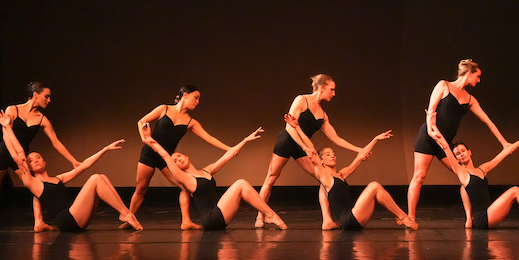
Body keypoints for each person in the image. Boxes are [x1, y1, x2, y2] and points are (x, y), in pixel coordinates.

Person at [0, 110, 142, 232]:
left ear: (44, 161)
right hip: (67, 220)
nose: (35, 160)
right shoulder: (32, 183)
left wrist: (104, 149)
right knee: (96, 178)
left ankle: (127, 214)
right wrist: (7, 127)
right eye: (31, 161)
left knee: (100, 176)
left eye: (38, 157)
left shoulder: (58, 179)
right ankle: (127, 215)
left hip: (77, 217)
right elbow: (18, 153)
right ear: (29, 168)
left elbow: (83, 166)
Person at [255, 74, 367, 230]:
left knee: (324, 178)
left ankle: (327, 220)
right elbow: (290, 127)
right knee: (271, 178)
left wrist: (359, 150)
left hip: (302, 146)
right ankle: (261, 215)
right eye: (331, 90)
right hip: (287, 141)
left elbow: (336, 139)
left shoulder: (323, 115)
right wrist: (305, 146)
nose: (333, 94)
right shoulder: (301, 100)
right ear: (321, 88)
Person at [408, 59, 509, 221]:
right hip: (428, 137)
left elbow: (487, 121)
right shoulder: (444, 85)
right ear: (469, 73)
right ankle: (410, 218)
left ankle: (470, 217)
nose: (479, 80)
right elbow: (431, 110)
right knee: (419, 176)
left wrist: (504, 143)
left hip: (444, 143)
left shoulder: (470, 99)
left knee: (467, 176)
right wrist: (430, 130)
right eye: (478, 76)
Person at [0, 82, 81, 231]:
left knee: (37, 187)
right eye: (46, 96)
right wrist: (14, 156)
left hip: (22, 158)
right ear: (35, 94)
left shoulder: (42, 119)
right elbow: (7, 135)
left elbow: (56, 143)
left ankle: (39, 222)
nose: (49, 100)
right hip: (3, 154)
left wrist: (73, 161)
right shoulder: (13, 109)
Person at [428, 111, 519, 229]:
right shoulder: (462, 173)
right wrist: (433, 126)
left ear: (470, 152)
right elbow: (445, 147)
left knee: (513, 192)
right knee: (515, 191)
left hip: (489, 213)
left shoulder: (482, 169)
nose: (461, 154)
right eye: (457, 154)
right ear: (456, 159)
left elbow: (504, 153)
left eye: (463, 151)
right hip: (484, 218)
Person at [141, 123, 287, 231]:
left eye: (179, 156)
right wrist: (149, 139)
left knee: (241, 185)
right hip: (211, 218)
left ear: (186, 155)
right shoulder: (184, 179)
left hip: (219, 214)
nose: (178, 159)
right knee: (241, 184)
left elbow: (227, 156)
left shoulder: (206, 171)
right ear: (176, 167)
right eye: (175, 161)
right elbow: (165, 155)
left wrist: (246, 140)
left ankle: (267, 215)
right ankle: (269, 215)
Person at [285, 113, 417, 230]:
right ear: (322, 161)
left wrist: (375, 139)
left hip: (355, 219)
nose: (332, 156)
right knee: (374, 186)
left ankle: (401, 217)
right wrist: (297, 127)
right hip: (349, 219)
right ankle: (403, 217)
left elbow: (360, 157)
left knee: (377, 190)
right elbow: (311, 148)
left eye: (333, 153)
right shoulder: (324, 175)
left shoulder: (342, 174)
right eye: (327, 154)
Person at [127, 85, 231, 230]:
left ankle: (186, 221)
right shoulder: (164, 109)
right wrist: (145, 138)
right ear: (185, 95)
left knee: (185, 187)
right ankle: (129, 218)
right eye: (196, 98)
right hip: (149, 154)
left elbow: (210, 138)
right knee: (141, 188)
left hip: (167, 159)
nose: (198, 102)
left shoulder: (191, 122)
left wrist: (230, 149)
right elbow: (141, 121)